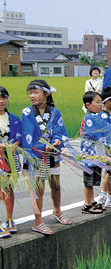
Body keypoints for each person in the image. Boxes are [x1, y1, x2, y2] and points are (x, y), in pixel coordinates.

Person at [22, 79, 72, 235]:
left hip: (52, 154)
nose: (32, 96)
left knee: (55, 184)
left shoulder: (55, 112)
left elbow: (61, 132)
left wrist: (58, 141)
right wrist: (44, 147)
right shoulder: (27, 112)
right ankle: (38, 221)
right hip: (36, 155)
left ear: (46, 94)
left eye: (36, 92)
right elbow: (28, 136)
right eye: (30, 93)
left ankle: (57, 211)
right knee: (39, 188)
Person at [0, 87, 22, 237]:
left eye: (4, 97)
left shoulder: (14, 119)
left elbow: (19, 137)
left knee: (8, 188)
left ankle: (9, 219)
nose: (1, 101)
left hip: (9, 158)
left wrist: (15, 145)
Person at [80, 91, 106, 214]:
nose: (100, 105)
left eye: (101, 102)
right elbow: (98, 132)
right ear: (88, 105)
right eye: (97, 102)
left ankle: (91, 201)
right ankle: (87, 203)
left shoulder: (96, 116)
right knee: (88, 181)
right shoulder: (89, 117)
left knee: (94, 179)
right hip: (89, 154)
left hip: (96, 153)